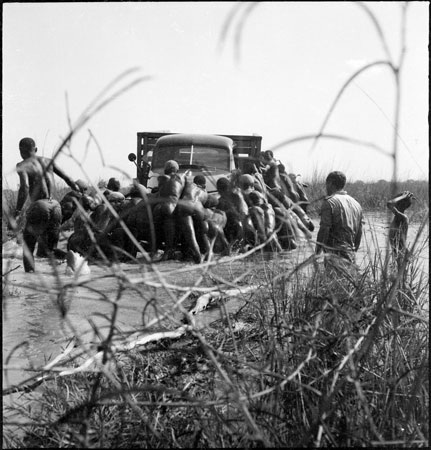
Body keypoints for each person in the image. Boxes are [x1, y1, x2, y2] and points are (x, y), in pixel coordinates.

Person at [14, 137, 79, 272]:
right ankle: (69, 257)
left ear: (21, 151)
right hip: (55, 206)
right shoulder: (49, 161)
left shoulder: (22, 165)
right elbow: (69, 179)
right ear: (36, 149)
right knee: (48, 250)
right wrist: (80, 192)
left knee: (28, 248)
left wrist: (18, 211)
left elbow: (25, 187)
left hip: (39, 206)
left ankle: (30, 278)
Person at [316, 171, 363, 263]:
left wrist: (317, 254)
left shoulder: (329, 202)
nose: (326, 187)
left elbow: (324, 230)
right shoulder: (356, 204)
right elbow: (359, 232)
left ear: (330, 183)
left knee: (332, 277)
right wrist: (353, 251)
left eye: (327, 184)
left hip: (334, 252)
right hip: (350, 252)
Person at [387, 191, 415, 261]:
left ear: (401, 204)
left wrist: (403, 197)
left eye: (397, 200)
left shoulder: (403, 218)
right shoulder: (397, 218)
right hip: (398, 253)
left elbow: (389, 203)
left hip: (401, 254)